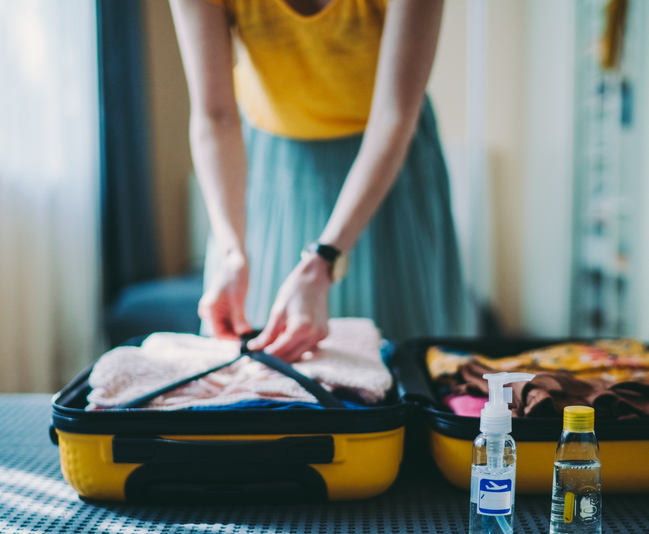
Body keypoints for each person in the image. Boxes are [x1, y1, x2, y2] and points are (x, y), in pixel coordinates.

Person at [170, 0, 470, 362]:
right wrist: (232, 251)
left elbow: (393, 116)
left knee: (401, 358)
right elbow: (215, 116)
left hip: (389, 165)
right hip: (271, 166)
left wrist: (324, 259)